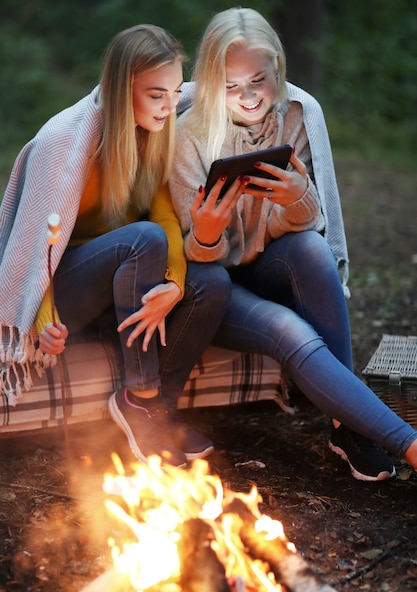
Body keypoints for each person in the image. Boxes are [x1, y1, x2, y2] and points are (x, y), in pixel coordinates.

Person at [165, 7, 417, 480]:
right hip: (216, 286)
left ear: (277, 68)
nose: (249, 97)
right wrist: (206, 231)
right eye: (231, 86)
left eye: (259, 80)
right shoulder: (188, 138)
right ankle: (407, 443)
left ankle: (348, 424)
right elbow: (196, 261)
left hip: (272, 265)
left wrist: (299, 199)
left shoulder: (299, 115)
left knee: (312, 250)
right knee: (288, 330)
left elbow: (306, 228)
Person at [0, 24, 232, 467]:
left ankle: (152, 408)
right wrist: (44, 321)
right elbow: (34, 252)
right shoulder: (66, 144)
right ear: (122, 89)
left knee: (213, 284)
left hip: (122, 285)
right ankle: (141, 396)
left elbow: (166, 215)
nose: (169, 106)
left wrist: (174, 285)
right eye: (155, 94)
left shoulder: (156, 133)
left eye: (175, 91)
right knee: (143, 240)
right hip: (64, 289)